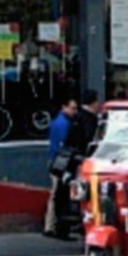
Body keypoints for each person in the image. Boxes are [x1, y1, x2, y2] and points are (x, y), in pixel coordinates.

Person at [44, 97, 79, 239]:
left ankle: (50, 225)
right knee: (57, 195)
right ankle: (53, 226)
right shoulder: (65, 124)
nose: (74, 111)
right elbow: (65, 144)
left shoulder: (56, 122)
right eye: (72, 108)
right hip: (60, 163)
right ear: (64, 107)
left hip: (54, 161)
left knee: (54, 195)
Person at [65, 89, 100, 157]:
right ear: (93, 103)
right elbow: (89, 136)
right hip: (84, 155)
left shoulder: (77, 115)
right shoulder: (90, 118)